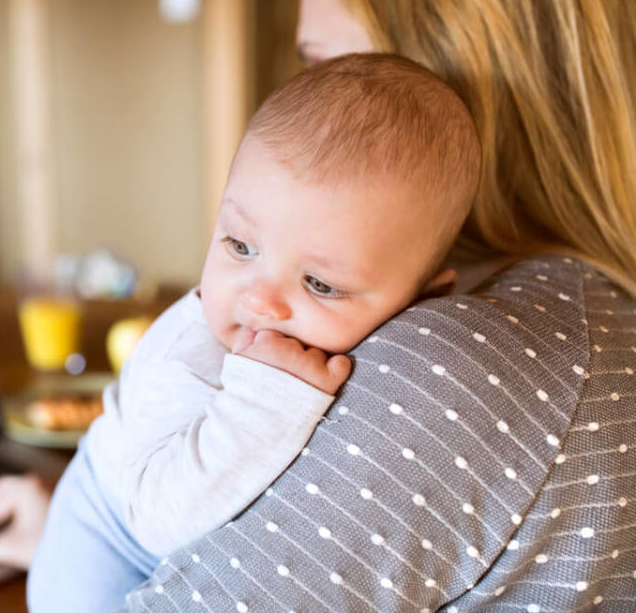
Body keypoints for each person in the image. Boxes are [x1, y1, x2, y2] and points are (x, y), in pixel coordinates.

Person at [0, 0, 636, 610]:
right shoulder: (580, 308)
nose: (264, 300)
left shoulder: (454, 368)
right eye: (240, 246)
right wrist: (89, 521)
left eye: (324, 67)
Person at [26, 52, 480, 613]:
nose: (260, 299)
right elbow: (163, 524)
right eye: (240, 247)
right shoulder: (190, 356)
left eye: (319, 283)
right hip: (105, 538)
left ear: (427, 299)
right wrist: (266, 402)